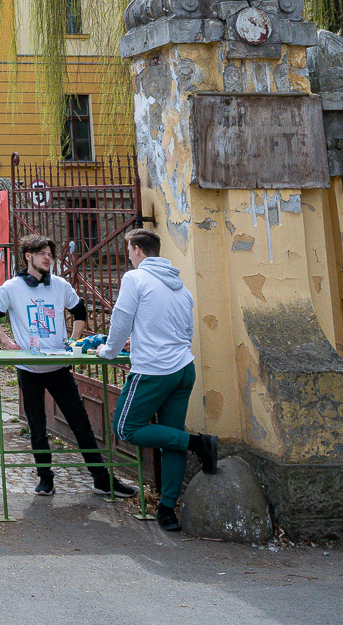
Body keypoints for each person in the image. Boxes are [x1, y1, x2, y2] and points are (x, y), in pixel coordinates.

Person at [0, 234, 137, 498]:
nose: (47, 258)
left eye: (50, 254)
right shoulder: (11, 287)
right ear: (27, 257)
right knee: (37, 426)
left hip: (58, 368)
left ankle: (102, 479)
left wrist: (73, 342)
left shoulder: (61, 285)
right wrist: (8, 342)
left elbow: (80, 311)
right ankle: (45, 478)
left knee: (81, 424)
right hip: (29, 368)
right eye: (41, 253)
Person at [99, 228, 218, 532]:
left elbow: (122, 318)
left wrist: (109, 351)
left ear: (137, 249)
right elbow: (181, 330)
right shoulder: (181, 287)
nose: (128, 256)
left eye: (128, 250)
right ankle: (167, 511)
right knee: (171, 438)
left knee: (125, 427)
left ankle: (199, 443)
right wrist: (139, 341)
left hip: (153, 371)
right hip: (183, 369)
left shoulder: (134, 278)